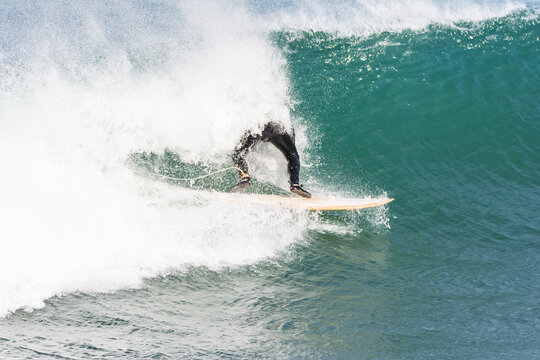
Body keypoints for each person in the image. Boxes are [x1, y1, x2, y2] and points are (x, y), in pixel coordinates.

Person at [230, 122, 311, 198]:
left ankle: (244, 177)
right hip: (276, 128)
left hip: (258, 127)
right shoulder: (281, 112)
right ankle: (295, 184)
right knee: (293, 156)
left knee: (237, 154)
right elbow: (290, 130)